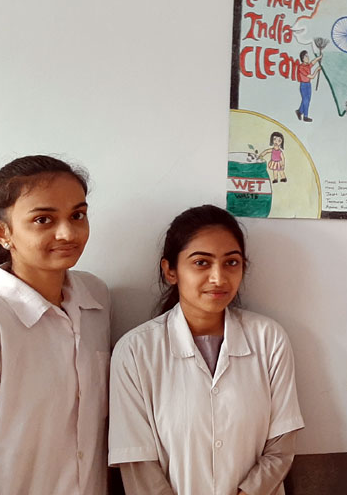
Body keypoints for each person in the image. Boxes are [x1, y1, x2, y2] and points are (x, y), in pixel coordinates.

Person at [109, 204, 304, 495]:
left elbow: (280, 449)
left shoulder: (269, 339)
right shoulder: (135, 352)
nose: (218, 278)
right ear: (170, 271)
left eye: (231, 262)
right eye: (201, 262)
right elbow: (137, 460)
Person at [0, 155, 110, 495]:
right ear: (1, 232)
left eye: (77, 215)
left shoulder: (96, 299)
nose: (67, 233)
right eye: (43, 219)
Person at [296, 50, 321, 122]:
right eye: (306, 56)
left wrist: (319, 57)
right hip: (303, 85)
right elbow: (312, 76)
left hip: (308, 85)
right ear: (302, 58)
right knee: (306, 101)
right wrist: (317, 70)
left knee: (307, 100)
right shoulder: (301, 67)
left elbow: (313, 62)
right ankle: (305, 116)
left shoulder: (307, 65)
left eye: (307, 56)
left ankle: (300, 111)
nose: (308, 57)